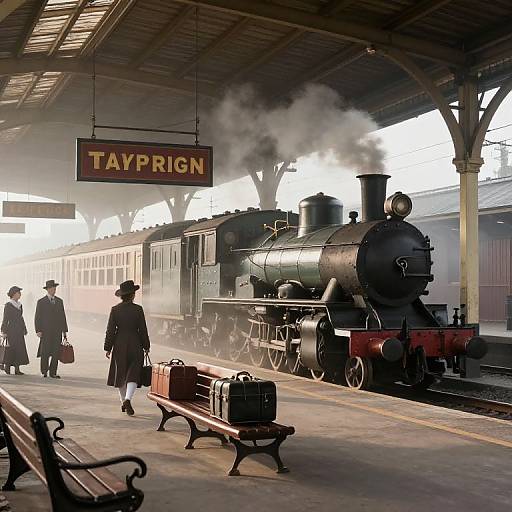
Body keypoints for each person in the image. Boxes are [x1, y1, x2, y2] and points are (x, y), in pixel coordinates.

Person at [104, 280, 150, 416]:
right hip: (135, 343)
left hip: (119, 344)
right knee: (133, 374)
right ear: (133, 295)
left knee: (121, 374)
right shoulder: (138, 309)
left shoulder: (115, 309)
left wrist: (108, 347)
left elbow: (110, 330)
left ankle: (124, 401)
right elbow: (143, 329)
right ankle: (128, 400)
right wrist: (146, 345)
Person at [35, 280, 68, 379]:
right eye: (52, 288)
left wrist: (64, 330)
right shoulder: (41, 302)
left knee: (55, 352)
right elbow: (37, 317)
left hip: (57, 331)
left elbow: (63, 316)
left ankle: (53, 372)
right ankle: (44, 371)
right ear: (48, 289)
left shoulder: (59, 301)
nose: (54, 290)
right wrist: (38, 330)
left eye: (55, 288)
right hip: (45, 331)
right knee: (45, 352)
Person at [1, 286, 29, 375]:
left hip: (19, 330)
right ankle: (7, 367)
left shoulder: (20, 305)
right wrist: (4, 331)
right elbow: (5, 319)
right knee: (10, 349)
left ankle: (17, 369)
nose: (20, 294)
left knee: (19, 349)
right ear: (13, 294)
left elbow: (21, 318)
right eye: (18, 293)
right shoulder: (8, 305)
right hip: (11, 330)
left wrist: (24, 328)